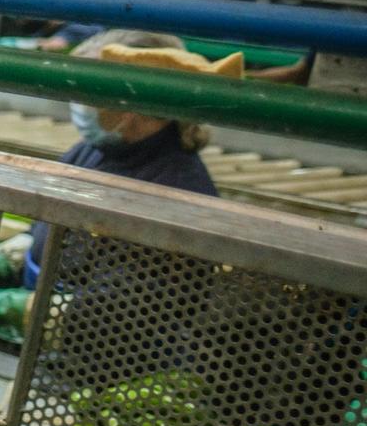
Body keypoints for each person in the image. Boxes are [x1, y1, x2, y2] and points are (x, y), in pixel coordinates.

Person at [23, 29, 238, 289]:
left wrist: (20, 310)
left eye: (91, 91)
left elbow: (125, 305)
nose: (80, 103)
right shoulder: (91, 150)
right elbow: (42, 225)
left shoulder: (179, 193)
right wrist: (12, 257)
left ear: (135, 98)